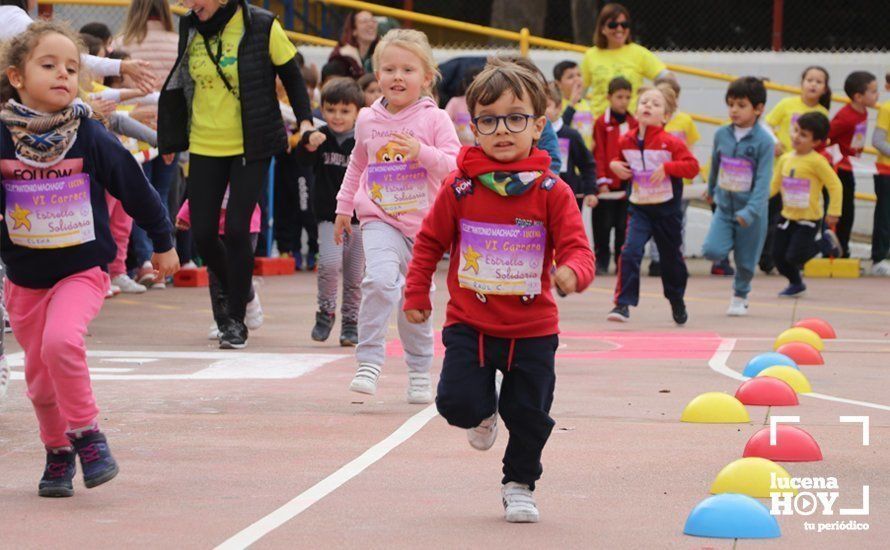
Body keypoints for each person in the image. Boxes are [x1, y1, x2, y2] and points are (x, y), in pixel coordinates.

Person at [403, 59, 595, 523]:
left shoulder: (552, 190)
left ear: (538, 124)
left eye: (516, 118)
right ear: (473, 127)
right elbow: (430, 240)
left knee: (528, 414)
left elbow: (578, 249)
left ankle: (519, 483)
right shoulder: (461, 186)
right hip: (471, 322)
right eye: (488, 120)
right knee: (456, 403)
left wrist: (572, 273)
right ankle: (482, 412)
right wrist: (416, 294)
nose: (502, 130)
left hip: (532, 329)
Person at [0, 22, 178, 497]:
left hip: (81, 270)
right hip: (24, 280)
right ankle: (57, 455)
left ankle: (88, 436)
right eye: (49, 65)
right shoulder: (1, 137)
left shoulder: (89, 136)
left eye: (73, 68)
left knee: (62, 343)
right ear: (16, 77)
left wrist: (163, 242)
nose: (64, 74)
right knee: (39, 385)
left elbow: (135, 189)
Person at [158, 0, 314, 349]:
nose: (188, 4)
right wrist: (170, 135)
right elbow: (182, 81)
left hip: (251, 142)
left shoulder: (260, 24)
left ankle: (235, 322)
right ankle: (242, 291)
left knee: (239, 228)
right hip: (203, 142)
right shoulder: (190, 25)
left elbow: (291, 75)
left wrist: (304, 121)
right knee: (202, 233)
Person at [334, 29, 461, 403]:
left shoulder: (435, 120)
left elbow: (454, 168)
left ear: (426, 76)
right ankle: (369, 361)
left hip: (423, 228)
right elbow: (358, 163)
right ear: (377, 76)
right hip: (379, 219)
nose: (398, 77)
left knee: (415, 301)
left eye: (408, 69)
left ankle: (420, 371)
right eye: (389, 69)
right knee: (379, 280)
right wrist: (344, 207)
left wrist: (421, 151)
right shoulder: (366, 120)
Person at [607, 85, 700, 324]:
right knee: (630, 252)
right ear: (636, 110)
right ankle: (623, 304)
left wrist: (668, 168)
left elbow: (692, 166)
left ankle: (676, 299)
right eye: (644, 102)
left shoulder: (671, 143)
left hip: (667, 211)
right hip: (639, 208)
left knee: (671, 260)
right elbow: (618, 161)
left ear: (666, 116)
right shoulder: (625, 140)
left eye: (655, 104)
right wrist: (614, 166)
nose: (648, 106)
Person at [296, 79, 364, 345]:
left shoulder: (364, 140)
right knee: (328, 264)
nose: (337, 116)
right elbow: (302, 159)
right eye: (331, 109)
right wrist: (308, 143)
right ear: (322, 110)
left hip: (360, 219)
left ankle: (351, 321)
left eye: (345, 111)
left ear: (358, 112)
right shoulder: (320, 138)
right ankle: (325, 312)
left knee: (355, 273)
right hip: (328, 215)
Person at [701, 77, 774, 316]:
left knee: (745, 260)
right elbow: (716, 164)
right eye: (731, 104)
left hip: (751, 213)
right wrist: (711, 190)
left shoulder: (764, 141)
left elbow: (764, 180)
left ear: (758, 108)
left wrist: (751, 211)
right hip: (724, 207)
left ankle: (740, 295)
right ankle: (729, 239)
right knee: (712, 250)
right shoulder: (722, 133)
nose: (734, 110)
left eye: (741, 105)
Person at [761, 67, 831, 274]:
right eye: (809, 79)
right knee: (774, 218)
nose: (813, 84)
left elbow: (822, 145)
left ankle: (796, 258)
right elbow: (766, 124)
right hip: (782, 173)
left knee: (798, 220)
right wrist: (774, 142)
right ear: (801, 83)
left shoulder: (823, 113)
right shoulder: (786, 104)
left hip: (805, 180)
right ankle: (767, 259)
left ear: (825, 89)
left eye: (819, 82)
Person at [0, 0, 155, 91]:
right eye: (48, 66)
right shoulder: (12, 18)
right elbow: (67, 57)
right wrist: (121, 66)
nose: (62, 73)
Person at [770, 112, 843, 297]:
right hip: (787, 216)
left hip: (809, 218)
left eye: (803, 134)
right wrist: (756, 200)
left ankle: (825, 243)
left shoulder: (817, 162)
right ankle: (796, 283)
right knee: (777, 255)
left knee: (796, 256)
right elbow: (775, 184)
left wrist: (834, 211)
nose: (796, 136)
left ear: (816, 142)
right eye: (796, 131)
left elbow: (835, 185)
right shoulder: (785, 158)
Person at [175, 191, 264, 340]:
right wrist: (186, 212)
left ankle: (250, 299)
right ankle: (221, 319)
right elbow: (201, 186)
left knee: (240, 269)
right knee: (216, 272)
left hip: (246, 223)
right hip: (215, 225)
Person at [579, 2, 671, 117]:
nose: (619, 29)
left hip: (633, 126)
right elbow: (579, 93)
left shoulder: (639, 53)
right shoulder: (590, 55)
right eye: (613, 25)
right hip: (600, 127)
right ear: (602, 29)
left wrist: (654, 97)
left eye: (624, 24)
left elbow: (667, 78)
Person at [829, 71, 879, 258]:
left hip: (850, 167)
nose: (877, 95)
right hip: (838, 169)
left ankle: (843, 246)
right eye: (873, 91)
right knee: (842, 209)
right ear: (858, 96)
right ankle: (835, 248)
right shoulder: (845, 117)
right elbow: (826, 136)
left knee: (849, 209)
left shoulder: (863, 112)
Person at [592, 76, 636, 274]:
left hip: (626, 183)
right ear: (609, 97)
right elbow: (599, 153)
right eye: (619, 97)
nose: (624, 101)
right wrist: (601, 179)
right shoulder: (601, 123)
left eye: (627, 97)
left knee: (622, 225)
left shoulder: (634, 122)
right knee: (603, 224)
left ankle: (620, 261)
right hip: (607, 184)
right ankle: (601, 261)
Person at [545, 82, 597, 211]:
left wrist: (590, 190)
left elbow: (587, 164)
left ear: (558, 107)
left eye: (546, 106)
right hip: (542, 196)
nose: (541, 111)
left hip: (569, 196)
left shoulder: (571, 135)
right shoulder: (531, 135)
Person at [871, 73, 890, 276]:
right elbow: (878, 140)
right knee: (885, 215)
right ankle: (879, 258)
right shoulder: (887, 108)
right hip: (887, 171)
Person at [553, 60, 594, 149]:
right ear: (558, 84)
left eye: (579, 75)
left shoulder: (587, 104)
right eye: (570, 77)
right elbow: (560, 128)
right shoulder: (556, 106)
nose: (577, 79)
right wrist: (572, 103)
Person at [328, 9, 379, 78]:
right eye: (364, 21)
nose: (370, 25)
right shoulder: (341, 59)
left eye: (373, 21)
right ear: (353, 31)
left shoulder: (380, 53)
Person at [444, 66, 482, 146]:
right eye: (472, 83)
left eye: (480, 84)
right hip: (458, 148)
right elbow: (444, 121)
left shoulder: (485, 103)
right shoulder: (455, 102)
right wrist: (458, 128)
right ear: (465, 84)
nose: (475, 88)